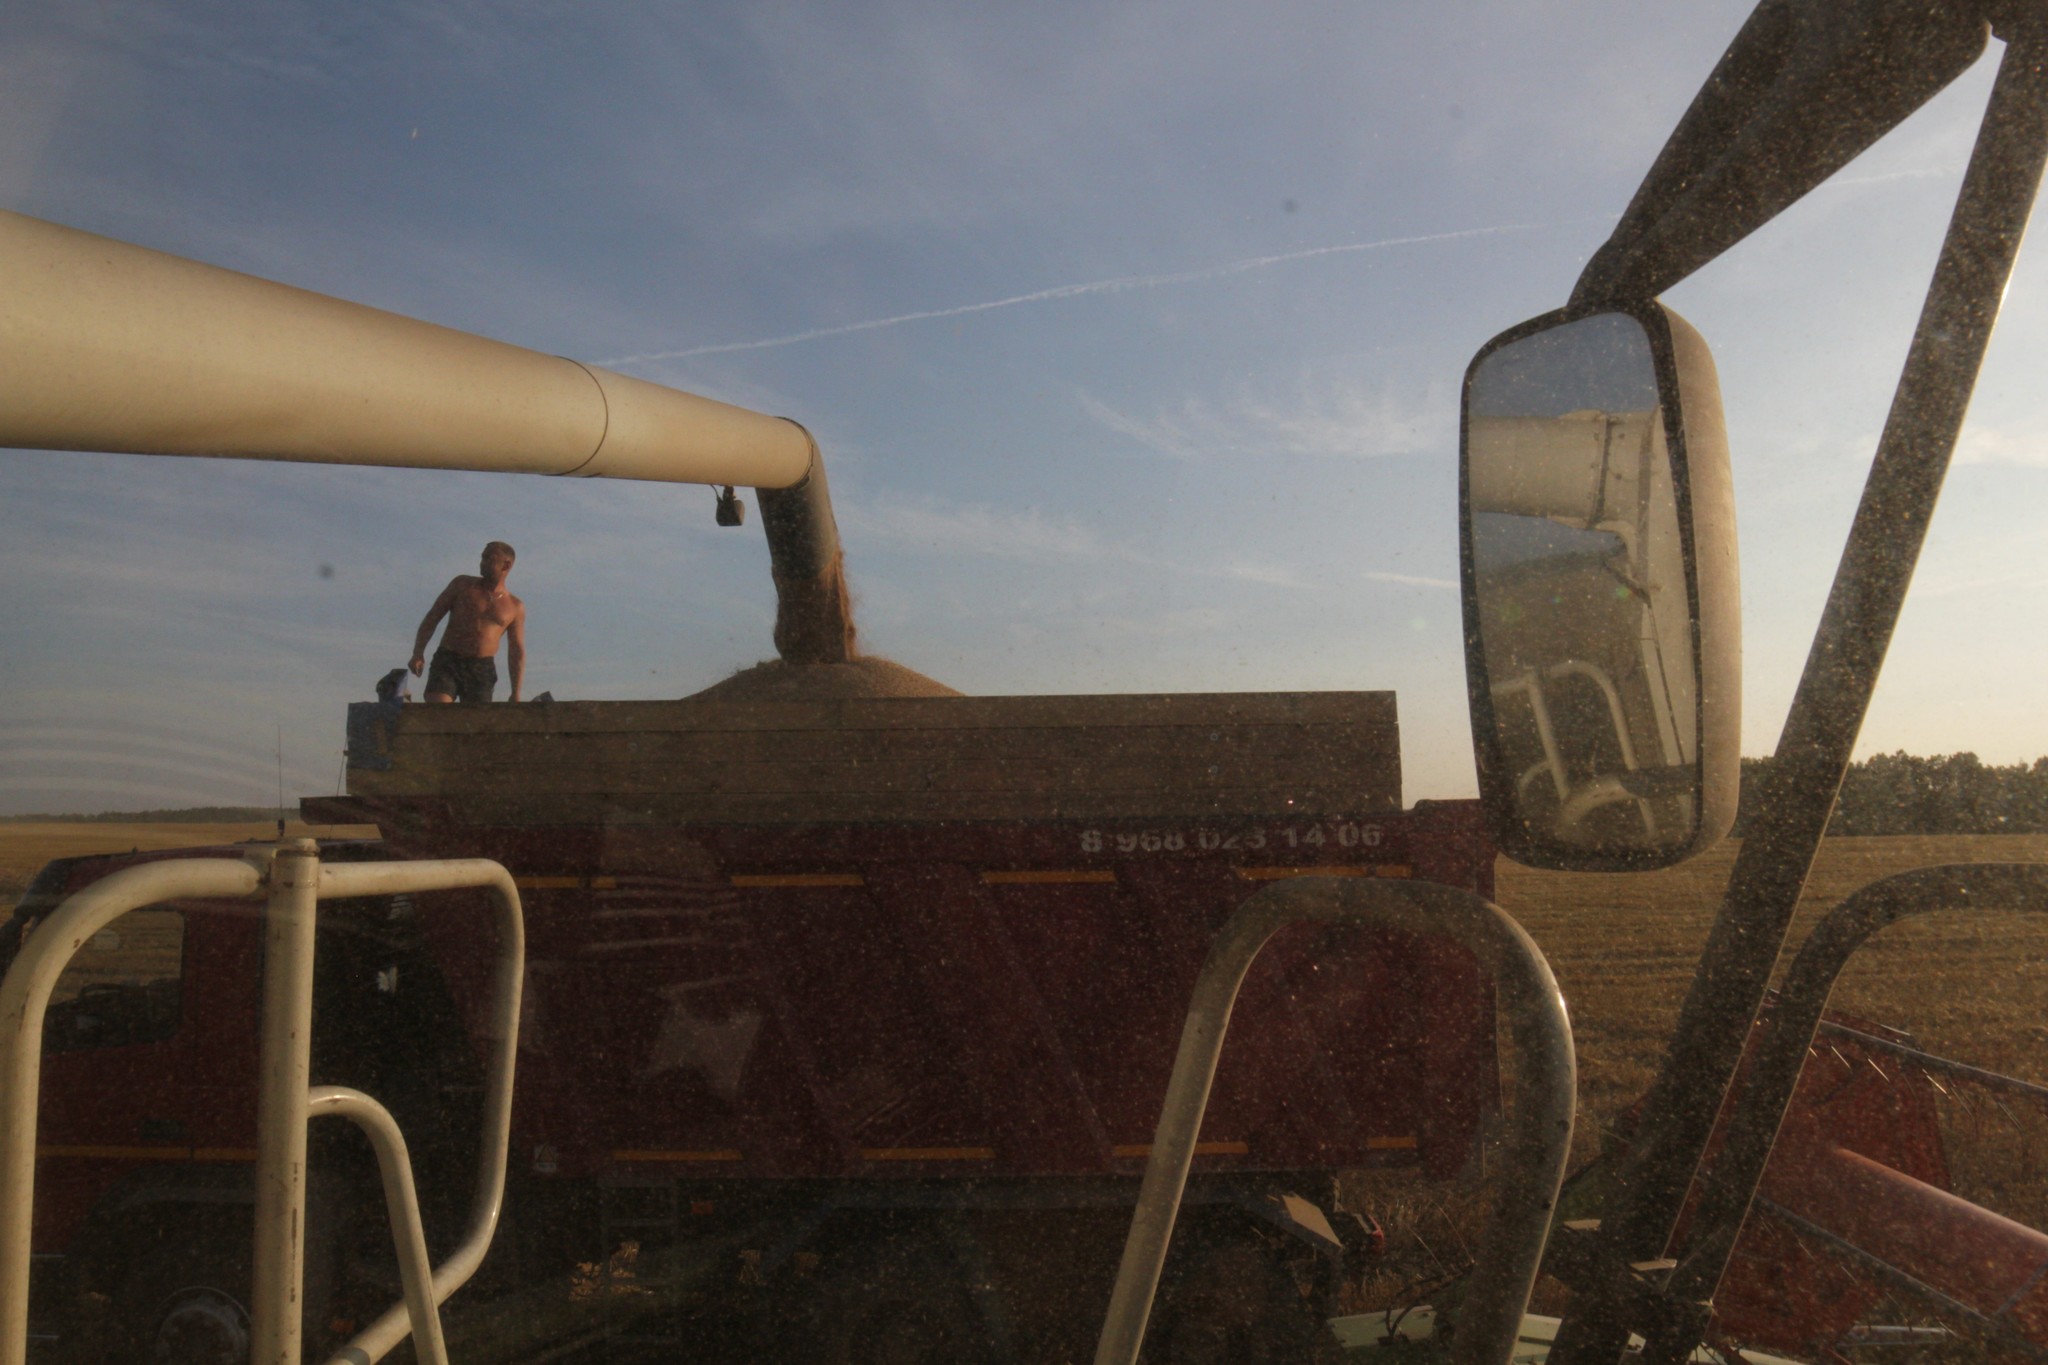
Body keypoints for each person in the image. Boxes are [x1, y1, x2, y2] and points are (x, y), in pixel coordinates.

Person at [409, 541, 526, 703]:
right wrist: (418, 652)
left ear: (506, 565)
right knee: (438, 713)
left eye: (489, 558)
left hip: (481, 668)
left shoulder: (514, 606)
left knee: (474, 723)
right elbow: (433, 617)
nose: (482, 562)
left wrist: (516, 692)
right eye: (482, 557)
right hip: (448, 660)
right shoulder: (462, 585)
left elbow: (516, 650)